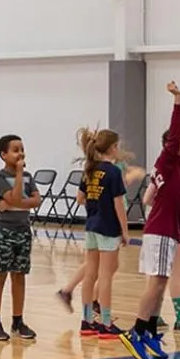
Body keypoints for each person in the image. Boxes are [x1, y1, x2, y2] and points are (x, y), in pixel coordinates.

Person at [124, 82, 180, 359]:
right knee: (155, 285)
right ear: (171, 145)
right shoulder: (167, 161)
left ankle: (150, 331)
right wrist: (178, 100)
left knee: (161, 285)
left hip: (169, 230)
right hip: (160, 231)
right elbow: (175, 132)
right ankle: (136, 331)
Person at [57, 128, 139, 338]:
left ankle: (86, 322)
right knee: (105, 277)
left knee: (90, 275)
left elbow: (80, 198)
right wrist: (125, 230)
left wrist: (95, 201)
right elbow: (119, 204)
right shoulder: (112, 172)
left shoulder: (90, 170)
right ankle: (105, 323)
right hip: (108, 228)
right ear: (112, 148)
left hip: (91, 226)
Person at [0, 134, 39, 342]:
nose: (20, 153)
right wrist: (18, 177)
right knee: (0, 274)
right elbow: (16, 197)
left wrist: (16, 204)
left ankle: (18, 321)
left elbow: (36, 201)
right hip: (4, 230)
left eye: (22, 149)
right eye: (15, 150)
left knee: (19, 275)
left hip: (23, 229)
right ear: (3, 154)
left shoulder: (28, 176)